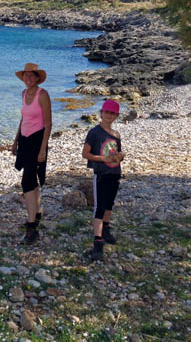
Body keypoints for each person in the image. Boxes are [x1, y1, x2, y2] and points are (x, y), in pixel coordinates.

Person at [11, 63, 52, 245]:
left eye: (31, 76)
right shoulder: (24, 94)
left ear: (37, 78)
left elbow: (49, 124)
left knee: (27, 181)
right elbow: (24, 118)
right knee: (31, 178)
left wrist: (43, 148)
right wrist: (15, 141)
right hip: (24, 140)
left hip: (37, 140)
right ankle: (37, 213)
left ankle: (31, 226)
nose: (27, 79)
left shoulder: (43, 95)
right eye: (25, 76)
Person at [81, 99, 125, 261]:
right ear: (101, 113)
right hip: (101, 174)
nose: (108, 115)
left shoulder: (116, 135)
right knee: (99, 207)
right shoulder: (94, 132)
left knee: (109, 204)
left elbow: (118, 154)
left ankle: (105, 229)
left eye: (112, 113)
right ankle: (97, 243)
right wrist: (102, 158)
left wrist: (121, 156)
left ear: (116, 116)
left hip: (114, 173)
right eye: (106, 112)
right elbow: (85, 154)